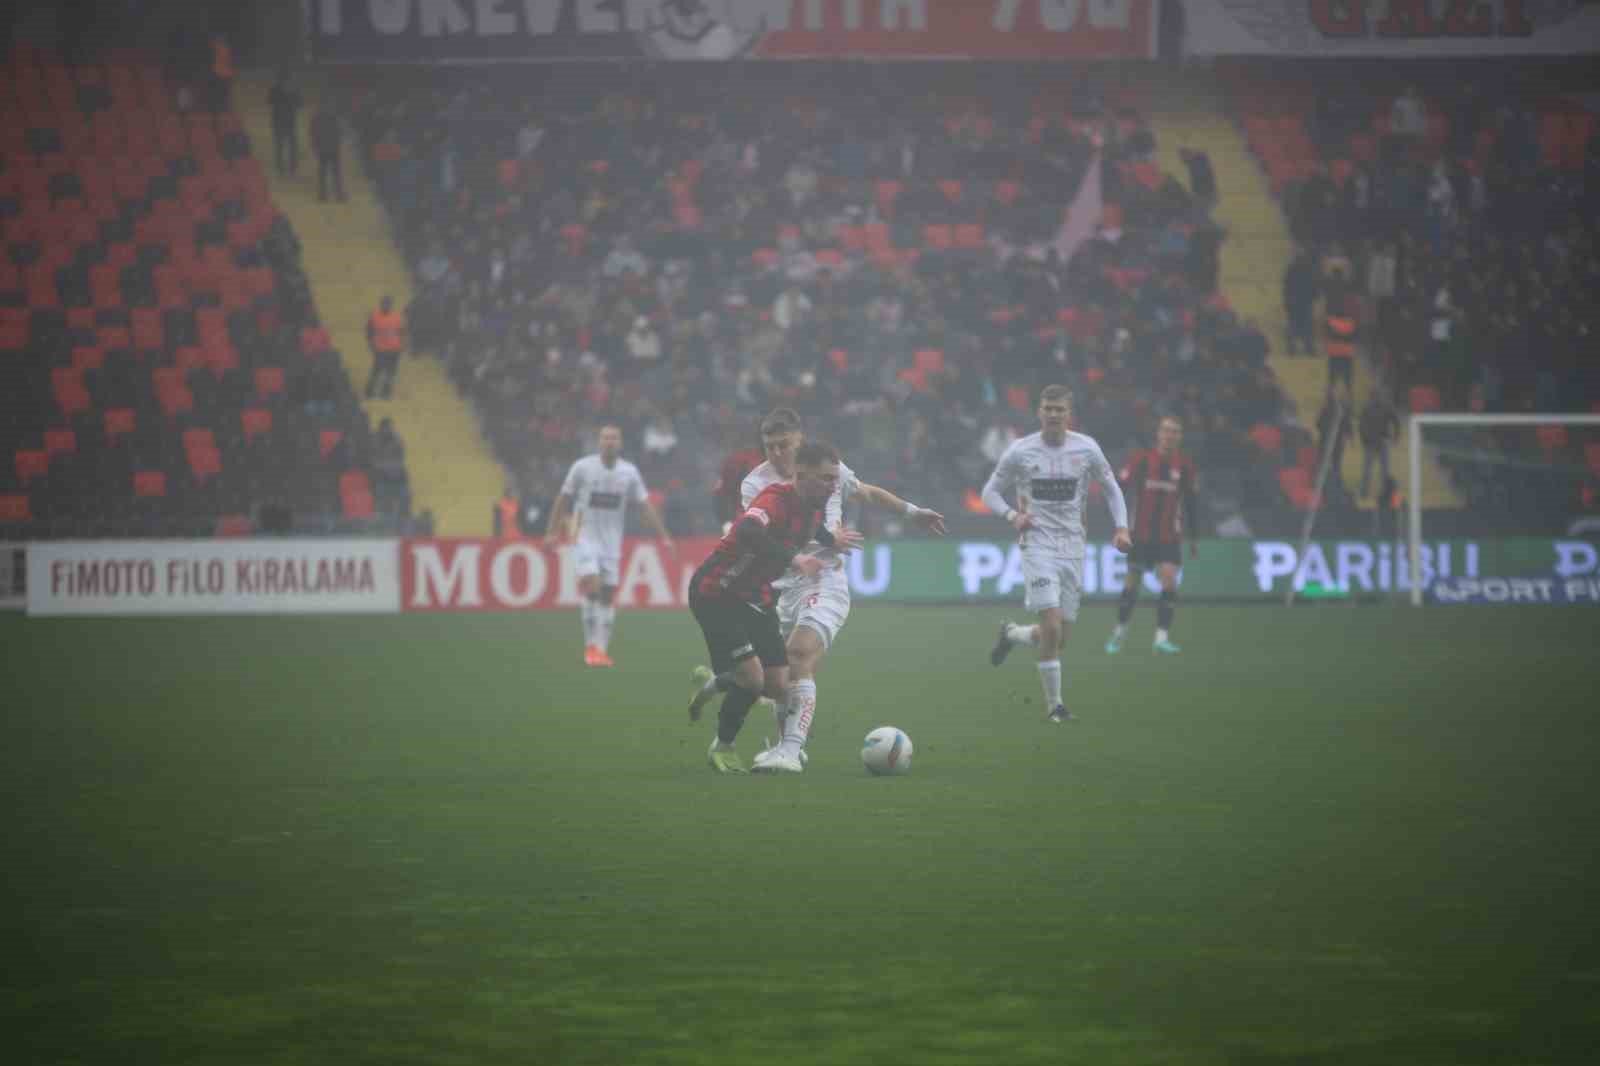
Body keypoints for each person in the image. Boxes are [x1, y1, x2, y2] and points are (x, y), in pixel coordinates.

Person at [698, 408, 944, 774]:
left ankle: (792, 750)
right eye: (771, 446)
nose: (778, 453)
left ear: (801, 442)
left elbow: (866, 493)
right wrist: (827, 537)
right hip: (781, 584)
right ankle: (778, 737)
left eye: (785, 445)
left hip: (824, 578)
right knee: (776, 681)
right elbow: (780, 524)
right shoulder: (756, 484)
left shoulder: (830, 471)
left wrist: (912, 513)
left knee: (799, 656)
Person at [685, 441, 862, 774]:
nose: (832, 485)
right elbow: (750, 529)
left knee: (778, 685)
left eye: (833, 479)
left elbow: (813, 529)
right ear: (802, 473)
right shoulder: (775, 499)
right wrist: (794, 558)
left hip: (756, 595)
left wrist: (830, 540)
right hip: (717, 593)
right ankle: (723, 746)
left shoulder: (813, 506)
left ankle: (713, 683)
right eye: (825, 478)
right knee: (753, 679)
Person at [983, 385, 1131, 724]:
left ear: (1069, 414)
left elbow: (1111, 488)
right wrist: (1012, 516)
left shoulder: (1087, 449)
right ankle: (1055, 707)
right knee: (1050, 623)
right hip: (1036, 545)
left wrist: (1122, 528)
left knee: (1058, 637)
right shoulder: (1021, 451)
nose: (1053, 414)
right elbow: (989, 492)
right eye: (1048, 408)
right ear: (1039, 411)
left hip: (1073, 548)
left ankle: (1013, 634)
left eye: (1059, 409)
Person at [544, 425, 675, 669]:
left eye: (614, 438)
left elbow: (645, 505)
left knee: (606, 596)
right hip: (583, 536)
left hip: (612, 544)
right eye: (605, 437)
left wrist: (665, 537)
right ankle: (591, 647)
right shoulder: (582, 468)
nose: (609, 442)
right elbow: (563, 498)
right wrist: (551, 532)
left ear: (621, 443)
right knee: (592, 586)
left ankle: (600, 650)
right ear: (598, 442)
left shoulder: (629, 472)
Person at [1106, 416, 1198, 656]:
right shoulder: (1141, 460)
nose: (1170, 435)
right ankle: (1119, 632)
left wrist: (1195, 538)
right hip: (1140, 535)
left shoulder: (1185, 465)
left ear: (1180, 437)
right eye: (1166, 430)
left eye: (1175, 431)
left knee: (1169, 580)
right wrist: (1119, 527)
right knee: (1132, 583)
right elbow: (1119, 489)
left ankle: (1161, 637)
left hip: (1170, 536)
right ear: (1159, 434)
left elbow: (1191, 503)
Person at [1358, 391, 1399, 500]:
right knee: (1369, 469)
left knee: (1381, 470)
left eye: (1378, 396)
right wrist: (1364, 439)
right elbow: (1361, 425)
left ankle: (1381, 493)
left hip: (1380, 442)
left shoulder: (1385, 407)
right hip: (1372, 442)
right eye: (1375, 396)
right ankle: (1364, 492)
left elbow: (1396, 421)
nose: (1376, 398)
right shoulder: (1367, 408)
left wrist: (1396, 436)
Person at [364, 295, 405, 399]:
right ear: (381, 304)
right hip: (380, 349)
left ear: (391, 305)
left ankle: (386, 392)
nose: (386, 306)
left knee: (390, 372)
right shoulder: (374, 316)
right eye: (384, 303)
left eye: (388, 304)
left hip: (394, 349)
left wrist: (401, 346)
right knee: (377, 371)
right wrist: (372, 346)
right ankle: (370, 391)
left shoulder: (397, 317)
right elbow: (369, 332)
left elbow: (401, 332)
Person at [269, 70, 302, 177]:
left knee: (285, 146)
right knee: (284, 146)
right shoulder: (278, 90)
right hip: (285, 121)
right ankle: (285, 168)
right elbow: (299, 103)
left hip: (283, 121)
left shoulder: (276, 89)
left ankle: (287, 168)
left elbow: (299, 103)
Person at [311, 102, 345, 202]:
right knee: (336, 172)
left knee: (323, 172)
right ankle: (339, 194)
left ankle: (322, 194)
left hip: (323, 148)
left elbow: (313, 133)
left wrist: (315, 145)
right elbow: (340, 132)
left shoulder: (316, 119)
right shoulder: (334, 118)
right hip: (333, 148)